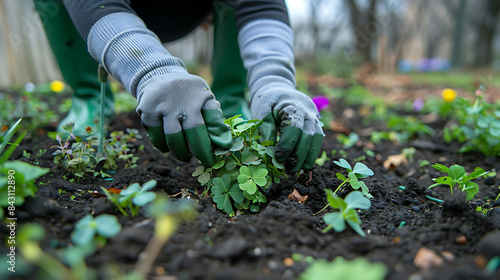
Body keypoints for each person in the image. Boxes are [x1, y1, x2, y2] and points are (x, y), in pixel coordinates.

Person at [44, 0, 324, 173]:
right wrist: (152, 70)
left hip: (194, 8)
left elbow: (260, 4)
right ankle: (89, 97)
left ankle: (230, 98)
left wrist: (274, 79)